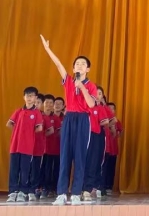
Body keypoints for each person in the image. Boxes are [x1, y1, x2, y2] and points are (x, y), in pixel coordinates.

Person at [40, 35, 98, 206]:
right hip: (69, 118)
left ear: (88, 69)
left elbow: (91, 104)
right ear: (73, 68)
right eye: (77, 63)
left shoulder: (91, 85)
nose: (79, 65)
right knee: (65, 156)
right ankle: (61, 193)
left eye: (83, 64)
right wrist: (48, 49)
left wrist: (83, 88)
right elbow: (58, 64)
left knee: (79, 157)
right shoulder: (68, 81)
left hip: (83, 120)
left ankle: (76, 193)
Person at [6, 86, 43, 203]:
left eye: (32, 96)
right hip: (15, 145)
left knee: (25, 170)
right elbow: (9, 123)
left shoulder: (36, 113)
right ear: (24, 97)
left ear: (35, 98)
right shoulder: (18, 111)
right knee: (14, 170)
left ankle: (23, 192)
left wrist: (28, 133)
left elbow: (39, 128)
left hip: (27, 147)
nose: (29, 98)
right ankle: (13, 192)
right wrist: (18, 131)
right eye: (27, 95)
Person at [84, 86, 111, 199]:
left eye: (99, 93)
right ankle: (81, 188)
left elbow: (106, 121)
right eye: (95, 93)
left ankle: (91, 188)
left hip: (96, 136)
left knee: (94, 162)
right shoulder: (84, 106)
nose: (96, 95)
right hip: (84, 136)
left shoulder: (100, 108)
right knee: (83, 162)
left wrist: (95, 124)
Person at [41, 94, 61, 198]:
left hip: (54, 149)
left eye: (51, 103)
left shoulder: (56, 118)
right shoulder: (39, 116)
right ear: (43, 103)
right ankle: (41, 188)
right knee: (42, 169)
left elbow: (59, 132)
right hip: (41, 149)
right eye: (47, 102)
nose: (48, 105)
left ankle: (51, 189)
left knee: (52, 170)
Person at [29, 93, 46, 200]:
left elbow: (49, 131)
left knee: (36, 169)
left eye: (38, 102)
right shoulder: (26, 113)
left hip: (39, 147)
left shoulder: (44, 116)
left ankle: (35, 188)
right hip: (27, 146)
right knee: (26, 168)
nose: (36, 104)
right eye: (35, 102)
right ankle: (24, 189)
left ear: (42, 104)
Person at [102, 102, 122, 195]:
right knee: (104, 168)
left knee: (111, 168)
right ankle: (102, 186)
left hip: (113, 149)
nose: (110, 110)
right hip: (105, 148)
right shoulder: (102, 120)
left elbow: (120, 132)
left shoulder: (117, 121)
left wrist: (115, 131)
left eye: (112, 108)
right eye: (108, 108)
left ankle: (109, 186)